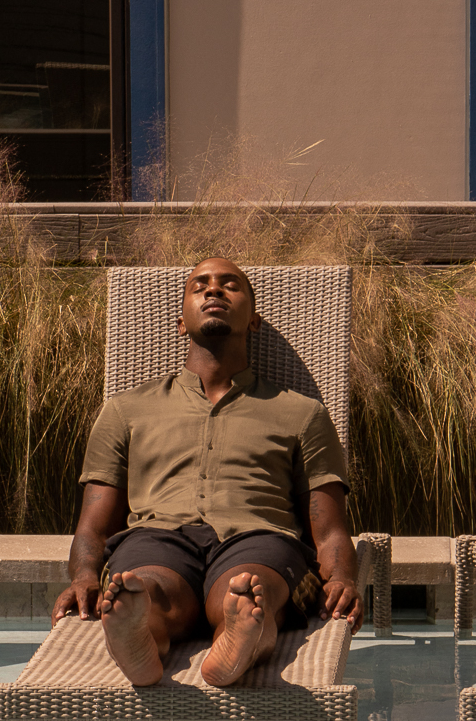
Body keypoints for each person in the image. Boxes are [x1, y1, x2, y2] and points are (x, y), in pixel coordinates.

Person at [52, 256, 363, 687]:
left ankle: (244, 632)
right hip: (155, 537)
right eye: (200, 285)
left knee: (247, 588)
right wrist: (85, 574)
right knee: (146, 587)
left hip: (259, 537)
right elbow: (92, 526)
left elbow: (328, 529)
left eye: (229, 285)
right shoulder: (126, 410)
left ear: (253, 321)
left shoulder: (302, 414)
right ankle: (137, 634)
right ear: (181, 322)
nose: (213, 290)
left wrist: (343, 577)